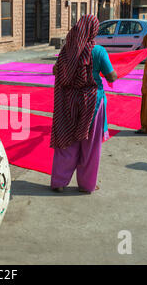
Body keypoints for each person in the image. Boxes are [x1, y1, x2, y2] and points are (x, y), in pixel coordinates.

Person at [50, 14, 118, 194]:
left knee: (66, 140)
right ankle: (87, 185)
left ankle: (59, 181)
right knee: (90, 144)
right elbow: (111, 76)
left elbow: (56, 70)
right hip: (92, 103)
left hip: (68, 101)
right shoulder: (98, 51)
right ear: (93, 30)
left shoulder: (66, 51)